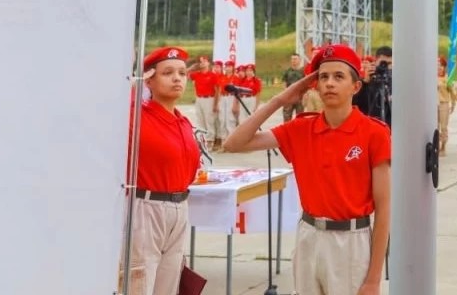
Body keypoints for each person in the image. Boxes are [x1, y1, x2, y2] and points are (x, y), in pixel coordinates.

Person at [223, 44, 391, 295]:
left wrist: (374, 279)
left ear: (355, 87)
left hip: (351, 242)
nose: (329, 84)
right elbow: (233, 144)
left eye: (338, 77)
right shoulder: (302, 129)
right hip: (309, 237)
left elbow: (385, 206)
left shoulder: (374, 133)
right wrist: (280, 100)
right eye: (323, 77)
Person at [124, 47, 202, 295]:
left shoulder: (183, 122)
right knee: (140, 281)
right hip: (147, 207)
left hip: (179, 207)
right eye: (167, 73)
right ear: (149, 80)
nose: (177, 78)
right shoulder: (135, 116)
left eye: (182, 73)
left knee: (169, 284)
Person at [437, 56, 456, 156]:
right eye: (437, 65)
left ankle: (443, 146)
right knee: (434, 127)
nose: (439, 68)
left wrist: (453, 104)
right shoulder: (431, 77)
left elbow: (452, 92)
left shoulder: (447, 78)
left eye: (441, 66)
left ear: (444, 67)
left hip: (443, 103)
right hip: (433, 105)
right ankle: (436, 145)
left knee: (443, 126)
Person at [281, 53, 306, 122]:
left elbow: (306, 83)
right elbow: (284, 82)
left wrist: (304, 94)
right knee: (287, 116)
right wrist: (286, 92)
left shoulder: (303, 71)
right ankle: (286, 131)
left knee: (300, 117)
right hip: (289, 96)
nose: (293, 60)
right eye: (292, 59)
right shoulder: (287, 71)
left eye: (295, 59)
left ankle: (298, 131)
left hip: (299, 97)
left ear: (299, 60)